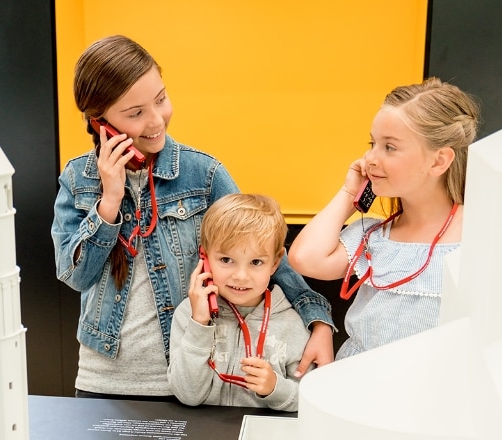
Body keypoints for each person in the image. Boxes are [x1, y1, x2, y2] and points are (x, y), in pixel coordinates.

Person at [52, 35, 336, 400]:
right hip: (102, 380)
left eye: (160, 99)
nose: (156, 120)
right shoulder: (78, 179)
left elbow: (260, 251)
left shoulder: (203, 174)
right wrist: (109, 201)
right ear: (100, 122)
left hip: (189, 376)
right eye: (136, 113)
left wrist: (318, 320)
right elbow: (75, 277)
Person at [288, 78, 479, 360]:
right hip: (360, 384)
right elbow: (305, 258)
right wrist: (348, 192)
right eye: (372, 143)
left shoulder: (479, 234)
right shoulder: (373, 235)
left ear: (438, 161)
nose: (370, 158)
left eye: (389, 147)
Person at [168, 194, 309, 411]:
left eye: (256, 262)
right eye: (226, 260)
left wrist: (274, 387)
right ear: (204, 258)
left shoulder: (293, 323)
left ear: (275, 263)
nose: (241, 276)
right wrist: (199, 325)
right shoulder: (189, 313)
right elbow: (187, 394)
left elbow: (311, 400)